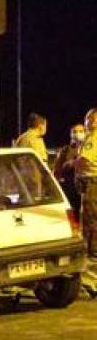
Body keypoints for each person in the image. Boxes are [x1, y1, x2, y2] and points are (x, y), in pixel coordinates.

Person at [76, 109, 97, 258]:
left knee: (90, 216)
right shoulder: (90, 138)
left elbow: (84, 160)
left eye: (90, 119)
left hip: (92, 181)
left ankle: (91, 249)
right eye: (88, 119)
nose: (89, 122)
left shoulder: (92, 139)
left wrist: (70, 163)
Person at [54, 124, 86, 220]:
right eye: (75, 131)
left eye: (81, 131)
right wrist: (69, 164)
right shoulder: (65, 150)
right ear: (71, 134)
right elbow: (57, 169)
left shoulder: (88, 148)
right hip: (70, 188)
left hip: (85, 188)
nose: (77, 133)